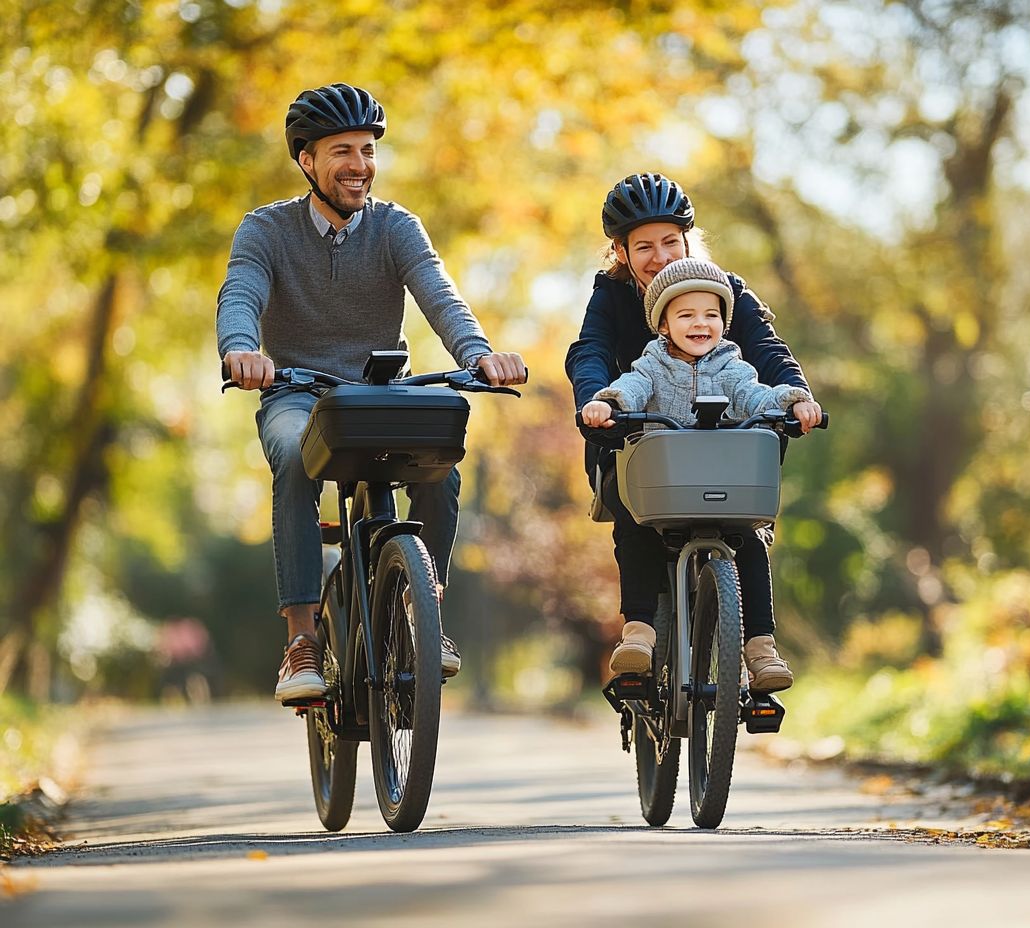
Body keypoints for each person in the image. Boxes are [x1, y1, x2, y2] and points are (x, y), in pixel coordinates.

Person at [217, 83, 526, 704]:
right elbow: (241, 292)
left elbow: (439, 294)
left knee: (444, 463)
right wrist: (241, 348)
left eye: (366, 150)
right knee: (290, 455)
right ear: (306, 160)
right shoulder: (266, 230)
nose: (359, 165)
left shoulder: (394, 227)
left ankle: (422, 613)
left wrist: (479, 354)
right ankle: (302, 640)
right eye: (342, 152)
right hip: (297, 392)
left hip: (381, 392)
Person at [565, 173, 822, 692]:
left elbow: (767, 353)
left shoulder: (720, 290)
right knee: (631, 515)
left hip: (722, 445)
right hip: (640, 440)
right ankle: (638, 631)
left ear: (688, 238)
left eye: (670, 242)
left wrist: (798, 397)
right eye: (643, 247)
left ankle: (757, 645)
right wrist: (597, 401)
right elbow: (590, 351)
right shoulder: (612, 297)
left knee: (747, 528)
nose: (659, 256)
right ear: (620, 251)